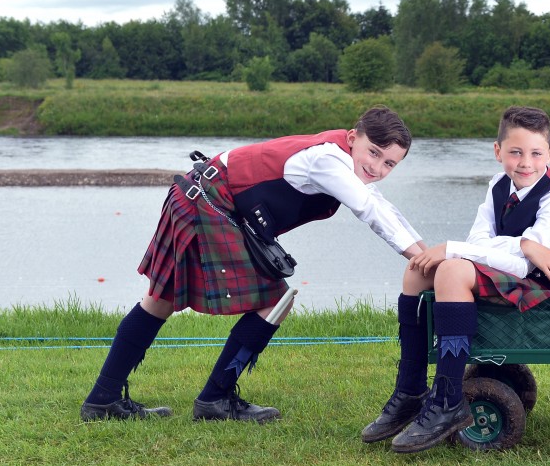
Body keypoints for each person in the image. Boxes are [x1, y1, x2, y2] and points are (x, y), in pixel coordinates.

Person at [80, 106, 426, 423]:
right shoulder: (328, 160)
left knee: (160, 300)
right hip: (208, 201)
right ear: (353, 138)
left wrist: (427, 253)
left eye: (389, 164)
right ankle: (212, 399)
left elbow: (381, 205)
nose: (377, 168)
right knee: (268, 300)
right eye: (374, 153)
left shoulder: (342, 158)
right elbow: (369, 208)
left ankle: (104, 399)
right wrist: (419, 259)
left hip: (205, 197)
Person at [361, 105, 550, 453]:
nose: (526, 163)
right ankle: (410, 389)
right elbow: (479, 242)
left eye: (536, 153)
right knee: (417, 270)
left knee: (451, 266)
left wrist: (459, 249)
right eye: (515, 152)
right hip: (508, 270)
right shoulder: (497, 185)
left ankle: (447, 400)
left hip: (537, 285)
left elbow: (523, 266)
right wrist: (520, 244)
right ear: (497, 151)